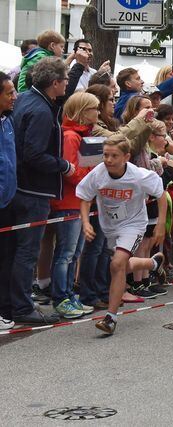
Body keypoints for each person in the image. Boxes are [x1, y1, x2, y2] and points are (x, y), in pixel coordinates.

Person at [4, 58, 74, 326]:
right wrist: (63, 165)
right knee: (27, 252)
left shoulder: (25, 100)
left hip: (19, 187)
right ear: (54, 83)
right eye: (65, 80)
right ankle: (22, 307)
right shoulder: (41, 110)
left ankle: (12, 304)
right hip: (32, 191)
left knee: (15, 251)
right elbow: (34, 153)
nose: (67, 84)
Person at [76, 134, 167, 335]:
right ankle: (152, 264)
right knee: (120, 266)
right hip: (109, 226)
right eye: (106, 155)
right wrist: (85, 223)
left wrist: (160, 224)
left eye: (114, 156)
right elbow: (84, 197)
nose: (108, 160)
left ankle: (110, 318)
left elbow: (160, 194)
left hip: (133, 224)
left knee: (116, 264)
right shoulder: (98, 174)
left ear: (126, 157)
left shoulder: (138, 175)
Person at [48, 92, 99, 319]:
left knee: (74, 252)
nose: (97, 113)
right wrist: (91, 180)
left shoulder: (82, 136)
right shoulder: (71, 136)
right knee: (66, 253)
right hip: (69, 202)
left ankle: (68, 293)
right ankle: (61, 297)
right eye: (93, 109)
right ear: (82, 111)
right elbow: (70, 171)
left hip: (80, 202)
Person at [0, 71, 17, 330]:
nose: (15, 97)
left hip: (9, 201)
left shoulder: (7, 121)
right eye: (9, 92)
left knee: (7, 258)